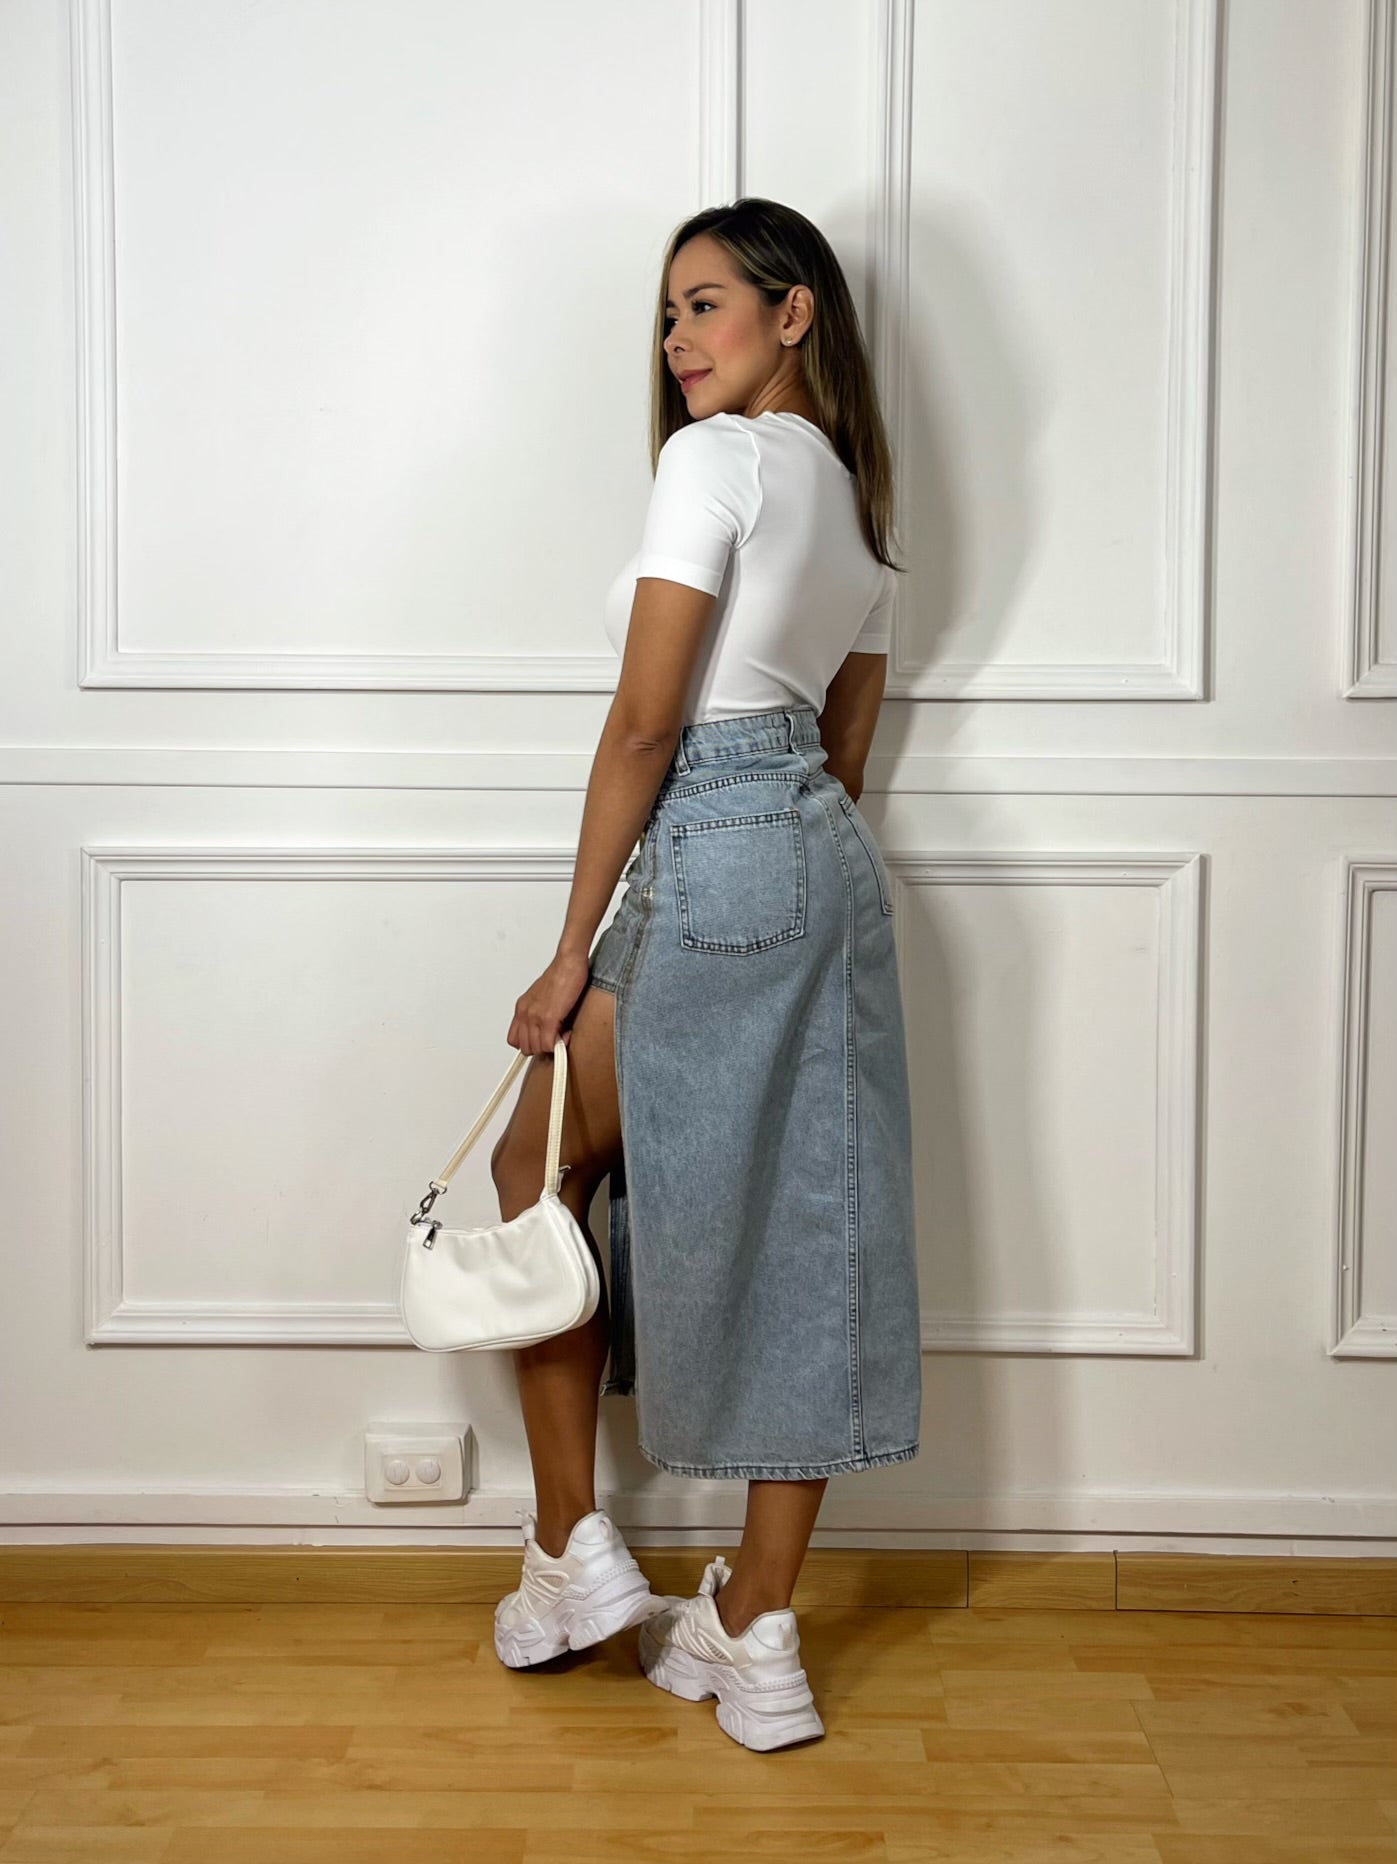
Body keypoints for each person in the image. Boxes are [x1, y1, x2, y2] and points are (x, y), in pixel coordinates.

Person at [488, 198, 921, 1751]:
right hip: (818, 860)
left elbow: (648, 724)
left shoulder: (712, 461)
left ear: (794, 313)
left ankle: (570, 1552)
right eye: (666, 314)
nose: (678, 339)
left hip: (711, 835)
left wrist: (568, 951)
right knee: (807, 1220)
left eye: (707, 302)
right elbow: (843, 755)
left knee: (533, 1170)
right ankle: (756, 1627)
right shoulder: (860, 513)